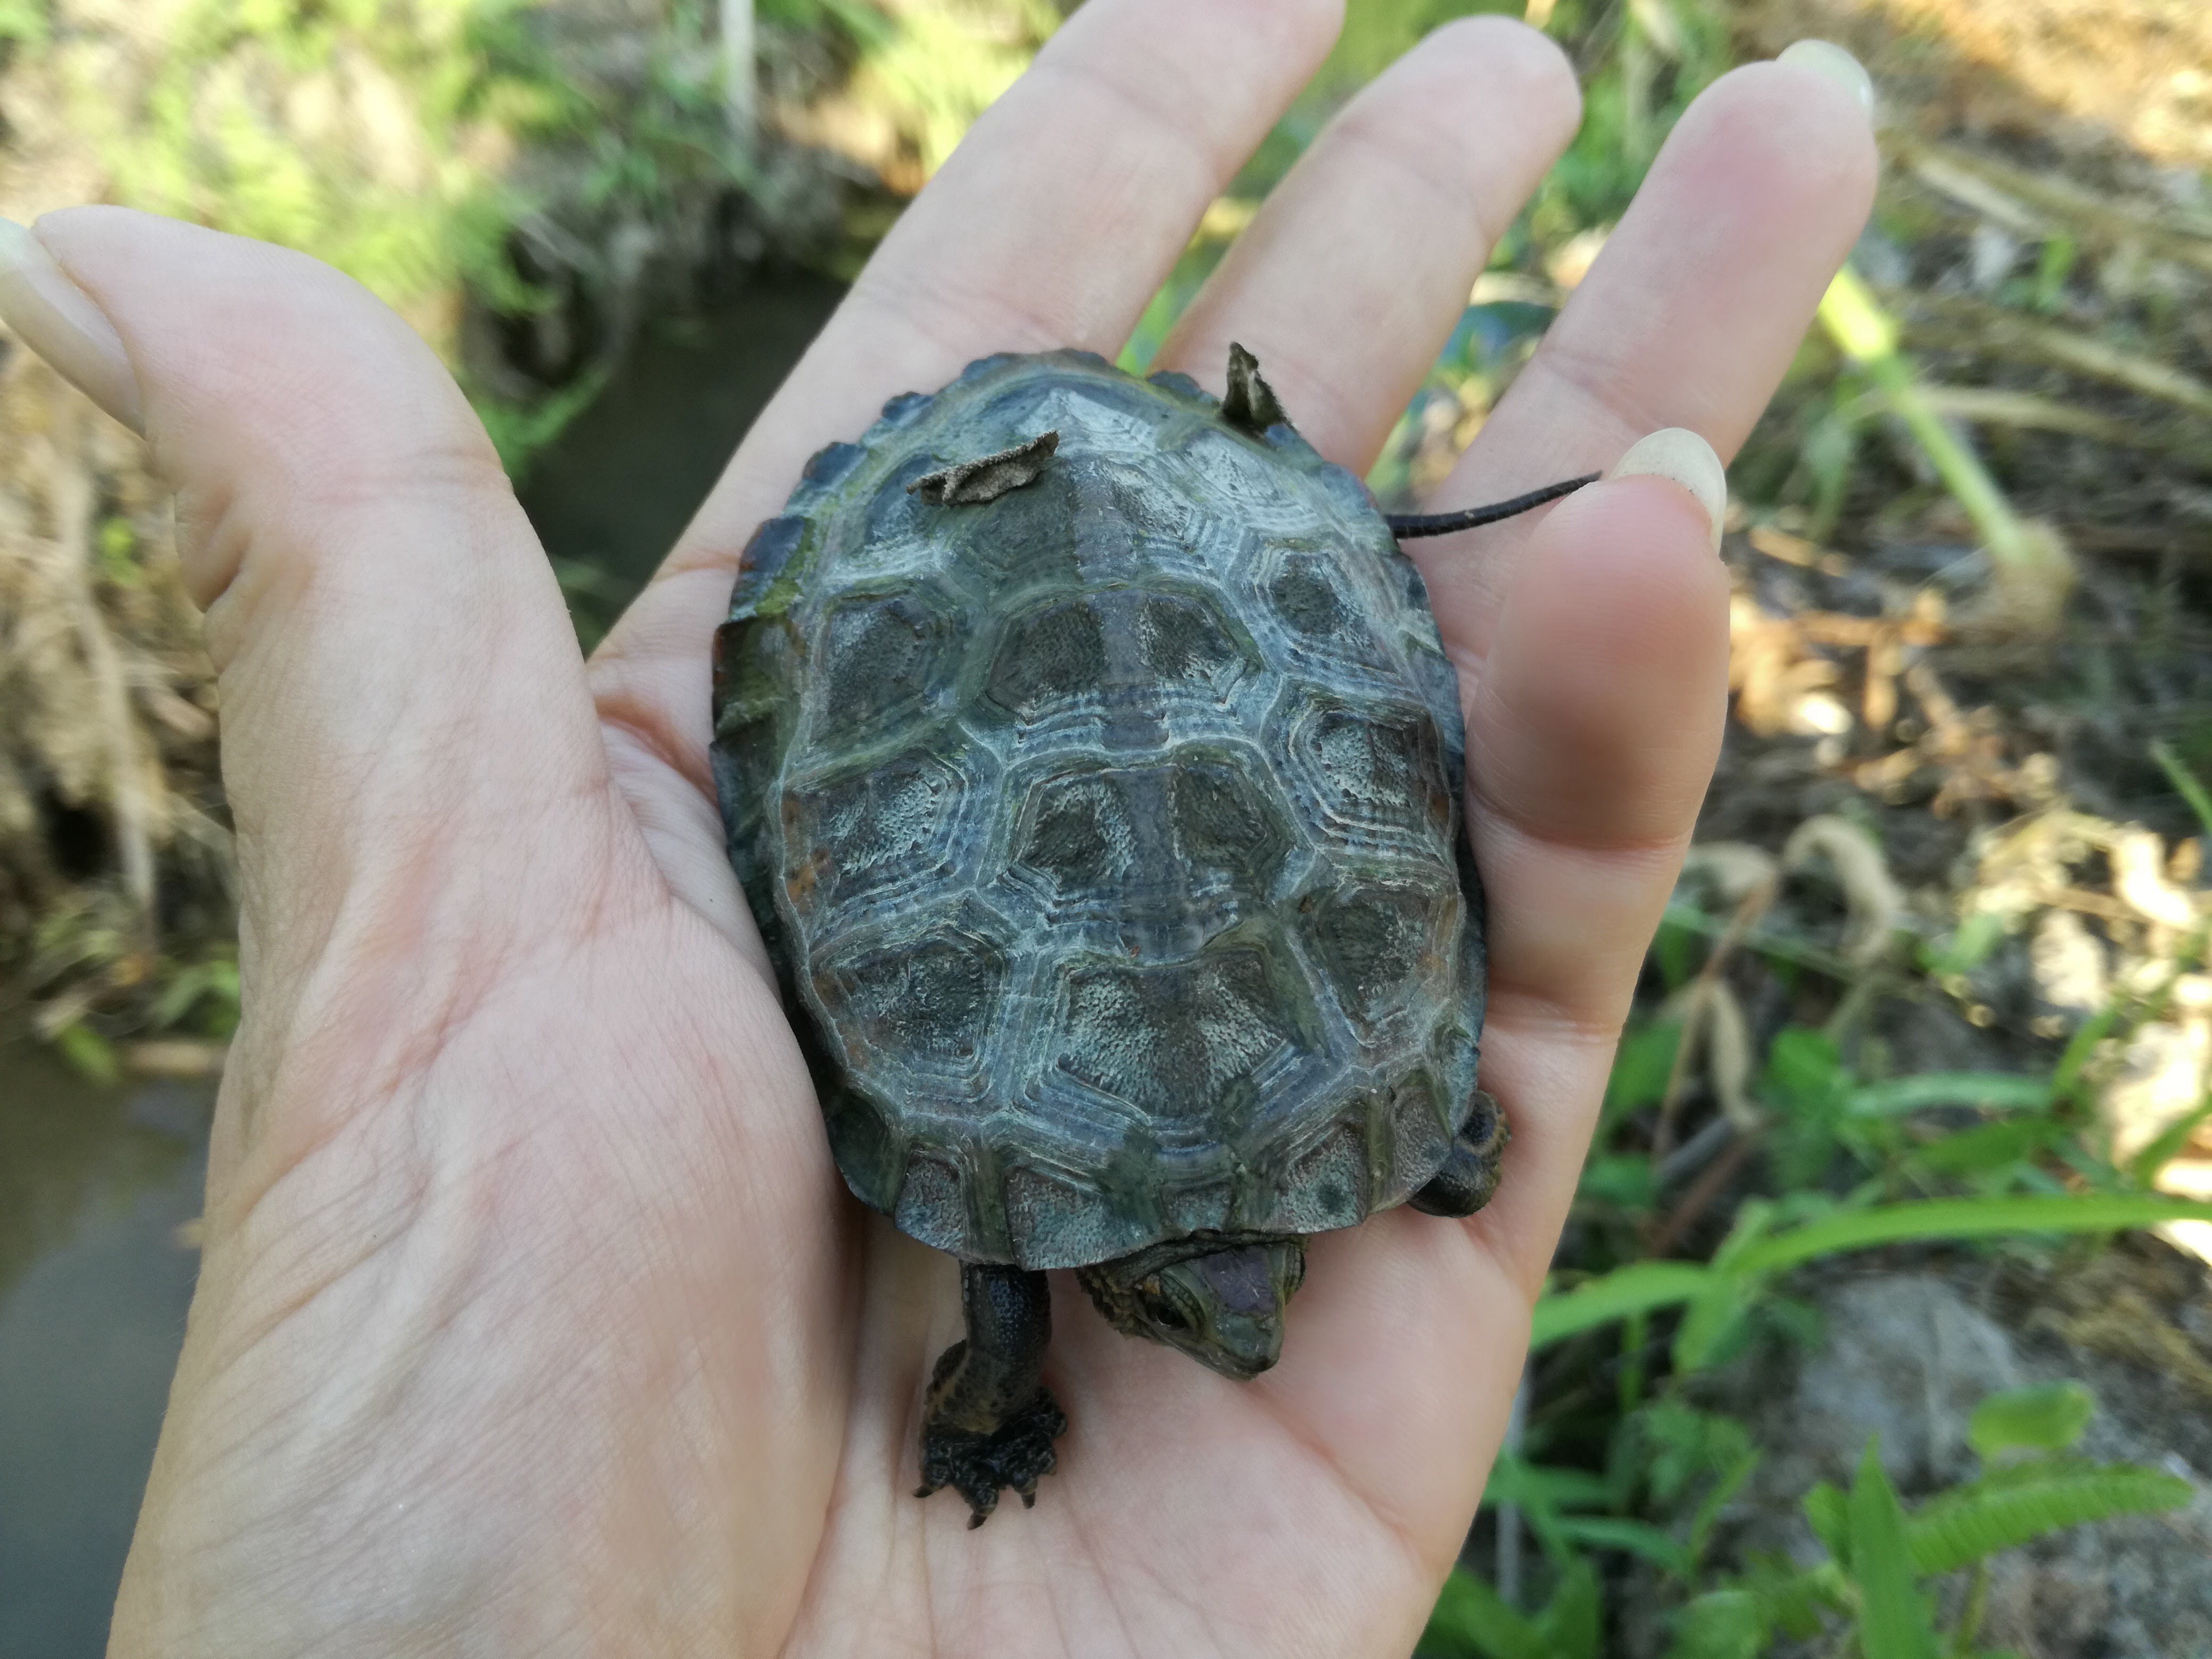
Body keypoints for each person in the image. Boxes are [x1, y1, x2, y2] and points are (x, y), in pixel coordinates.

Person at [0, 4, 1874, 1652]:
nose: (1243, 1332)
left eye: (1232, 1295)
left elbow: (1307, 1181)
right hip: (1081, 554)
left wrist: (1005, 1404)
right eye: (1206, 1301)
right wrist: (1406, 1133)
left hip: (1033, 558)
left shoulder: (1091, 1222)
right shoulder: (1209, 1186)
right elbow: (1420, 1129)